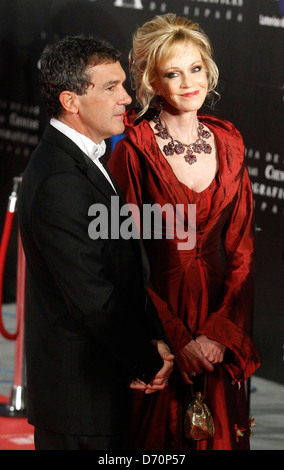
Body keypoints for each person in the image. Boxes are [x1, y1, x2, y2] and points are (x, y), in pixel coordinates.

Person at [108, 13, 260, 450]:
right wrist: (178, 338)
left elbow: (242, 250)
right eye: (173, 73)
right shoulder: (134, 148)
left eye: (195, 68)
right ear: (152, 81)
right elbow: (126, 258)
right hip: (158, 318)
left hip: (219, 314)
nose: (188, 82)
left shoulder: (229, 142)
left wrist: (217, 333)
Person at [18, 34, 174, 451]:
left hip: (96, 390)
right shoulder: (60, 180)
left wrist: (151, 339)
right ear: (71, 101)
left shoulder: (84, 158)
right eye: (110, 88)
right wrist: (147, 358)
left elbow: (121, 264)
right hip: (81, 404)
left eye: (122, 84)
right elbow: (92, 295)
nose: (126, 98)